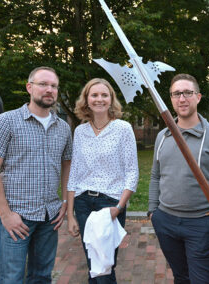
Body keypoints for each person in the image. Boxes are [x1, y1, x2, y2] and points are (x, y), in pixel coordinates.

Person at [148, 73, 209, 283]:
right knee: (181, 277)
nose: (182, 98)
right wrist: (153, 212)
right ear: (170, 99)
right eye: (177, 94)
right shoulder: (163, 136)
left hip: (201, 223)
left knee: (202, 280)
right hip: (166, 222)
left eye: (188, 92)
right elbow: (155, 175)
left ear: (198, 97)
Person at [0, 66, 73, 283]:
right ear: (29, 87)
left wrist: (64, 200)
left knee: (42, 277)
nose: (49, 90)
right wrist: (6, 214)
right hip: (17, 217)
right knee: (11, 279)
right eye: (43, 84)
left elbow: (67, 165)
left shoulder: (63, 127)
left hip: (49, 216)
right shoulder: (6, 121)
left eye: (53, 86)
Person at [67, 78, 139, 283]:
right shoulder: (80, 132)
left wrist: (119, 206)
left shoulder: (123, 129)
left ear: (111, 99)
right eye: (94, 95)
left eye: (104, 95)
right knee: (93, 264)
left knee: (105, 265)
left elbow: (132, 173)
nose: (99, 99)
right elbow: (74, 174)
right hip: (83, 203)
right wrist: (71, 215)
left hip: (110, 203)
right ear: (87, 100)